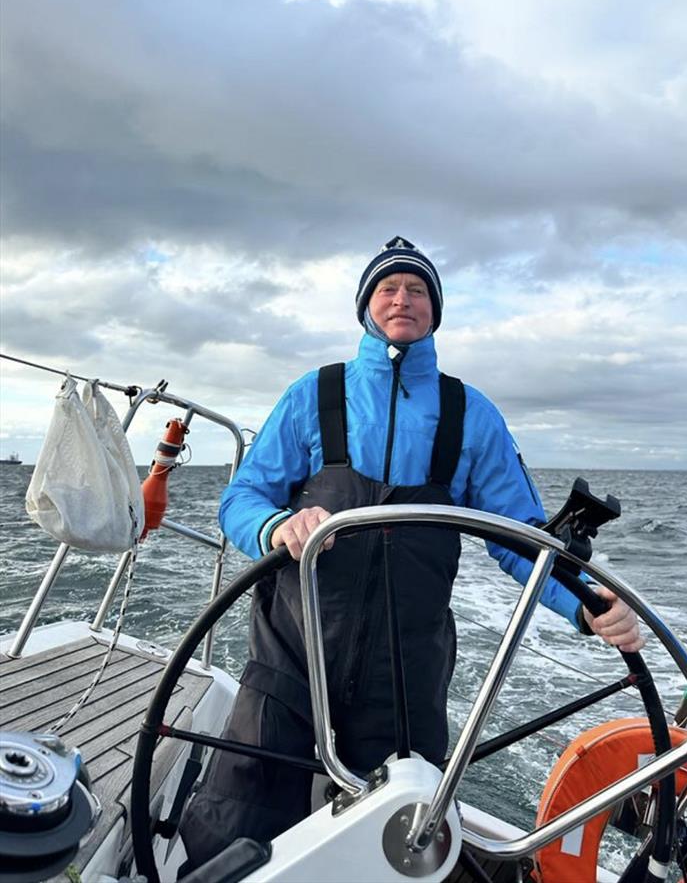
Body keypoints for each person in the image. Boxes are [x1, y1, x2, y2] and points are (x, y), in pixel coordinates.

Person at [180, 236, 643, 868]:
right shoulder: (315, 395)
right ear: (366, 307)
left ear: (436, 310)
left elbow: (522, 538)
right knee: (236, 820)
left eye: (418, 289)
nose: (403, 299)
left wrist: (587, 605)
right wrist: (277, 526)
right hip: (294, 654)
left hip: (405, 674)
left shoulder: (469, 414)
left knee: (395, 848)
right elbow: (242, 499)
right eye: (389, 288)